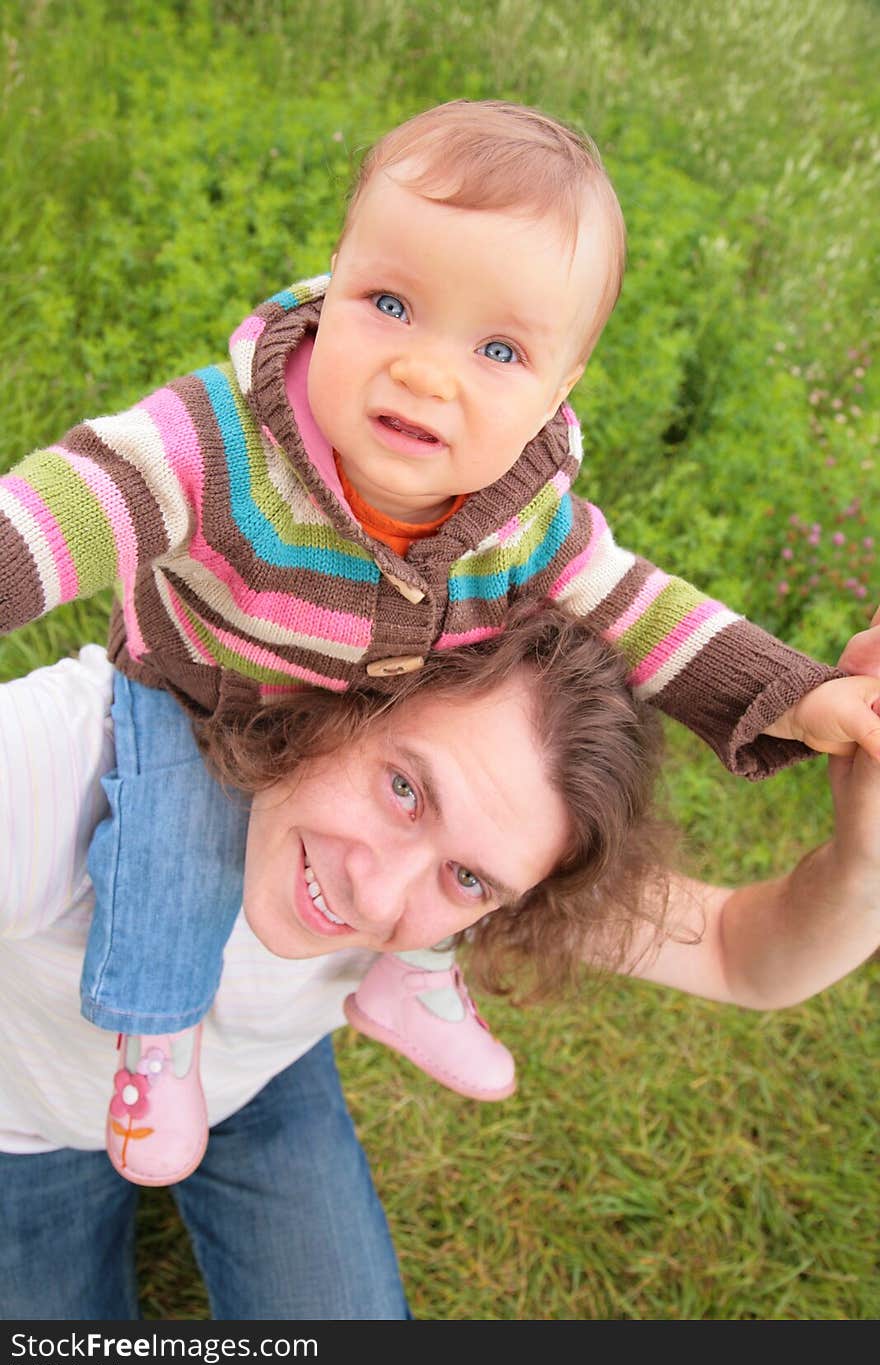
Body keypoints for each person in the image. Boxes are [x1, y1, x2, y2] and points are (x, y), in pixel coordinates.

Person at [3, 99, 880, 1188]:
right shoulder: (230, 444)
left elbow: (643, 609)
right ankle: (157, 1035)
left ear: (559, 393)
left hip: (290, 1009)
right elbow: (82, 501)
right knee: (176, 859)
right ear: (328, 284)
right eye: (390, 302)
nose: (426, 372)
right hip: (191, 704)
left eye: (500, 348)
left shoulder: (517, 527)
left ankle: (410, 978)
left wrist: (798, 699)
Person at [1, 608, 878, 1320]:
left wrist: (868, 857)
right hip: (23, 1126)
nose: (377, 903)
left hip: (260, 1084)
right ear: (341, 684)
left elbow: (739, 954)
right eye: (405, 789)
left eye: (466, 878)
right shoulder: (82, 768)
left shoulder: (505, 842)